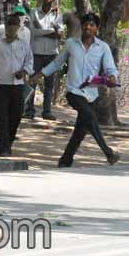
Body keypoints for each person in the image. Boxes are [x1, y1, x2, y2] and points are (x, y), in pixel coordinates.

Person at [34, 13, 120, 167]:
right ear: (82, 26)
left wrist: (112, 76)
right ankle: (108, 152)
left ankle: (65, 160)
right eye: (86, 24)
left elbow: (110, 68)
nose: (88, 27)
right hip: (74, 92)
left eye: (92, 25)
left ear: (96, 28)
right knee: (90, 117)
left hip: (91, 94)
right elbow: (57, 62)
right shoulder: (70, 44)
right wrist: (40, 73)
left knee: (80, 131)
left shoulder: (103, 47)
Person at [0, 13, 34, 156]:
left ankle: (8, 143)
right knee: (1, 118)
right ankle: (3, 149)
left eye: (15, 24)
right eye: (9, 24)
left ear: (18, 27)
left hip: (17, 85)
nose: (11, 27)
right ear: (5, 26)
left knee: (16, 116)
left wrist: (24, 71)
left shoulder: (23, 43)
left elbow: (29, 60)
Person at [27, 0, 63, 120]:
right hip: (36, 52)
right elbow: (32, 32)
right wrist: (49, 33)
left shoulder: (57, 15)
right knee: (32, 81)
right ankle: (29, 110)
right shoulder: (34, 12)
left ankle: (46, 111)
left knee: (49, 84)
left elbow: (59, 35)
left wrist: (45, 32)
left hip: (52, 54)